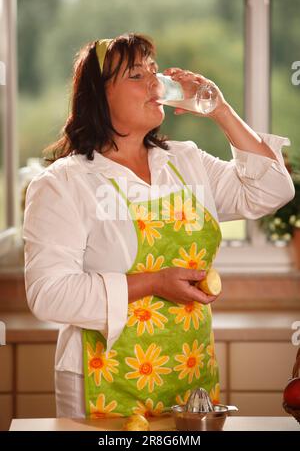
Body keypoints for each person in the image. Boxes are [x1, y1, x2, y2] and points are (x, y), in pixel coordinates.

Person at [23, 33, 295, 419]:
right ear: (99, 96)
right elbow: (49, 295)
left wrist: (220, 110)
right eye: (136, 75)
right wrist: (153, 283)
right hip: (103, 379)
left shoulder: (186, 162)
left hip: (188, 372)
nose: (155, 82)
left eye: (154, 70)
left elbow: (272, 189)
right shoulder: (63, 184)